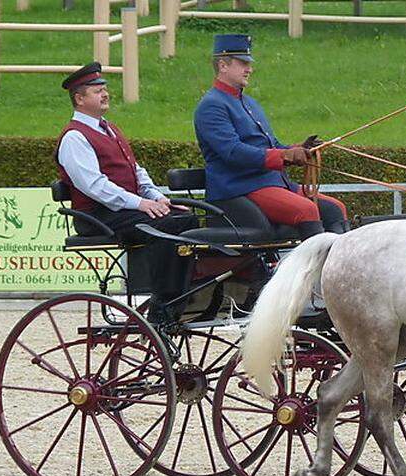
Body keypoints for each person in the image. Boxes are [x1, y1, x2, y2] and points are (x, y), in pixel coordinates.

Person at [54, 62, 192, 325]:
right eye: (96, 91)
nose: (105, 93)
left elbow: (135, 171)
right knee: (165, 225)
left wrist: (155, 197)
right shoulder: (74, 137)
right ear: (79, 99)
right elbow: (94, 186)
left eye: (104, 88)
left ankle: (183, 297)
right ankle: (163, 304)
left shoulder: (109, 128)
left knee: (186, 219)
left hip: (123, 210)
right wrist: (140, 204)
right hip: (97, 215)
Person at [193, 34, 348, 238]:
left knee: (335, 208)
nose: (249, 69)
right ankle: (312, 269)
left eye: (249, 64)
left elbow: (271, 144)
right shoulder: (211, 106)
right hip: (240, 187)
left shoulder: (249, 103)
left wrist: (297, 149)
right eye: (243, 63)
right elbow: (233, 152)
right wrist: (283, 157)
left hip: (272, 183)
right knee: (306, 210)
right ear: (223, 65)